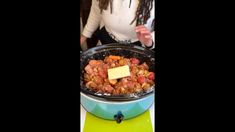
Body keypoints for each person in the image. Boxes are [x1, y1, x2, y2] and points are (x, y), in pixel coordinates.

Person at [80, 0, 155, 49]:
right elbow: (96, 12)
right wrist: (84, 35)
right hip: (107, 40)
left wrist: (150, 42)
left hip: (141, 45)